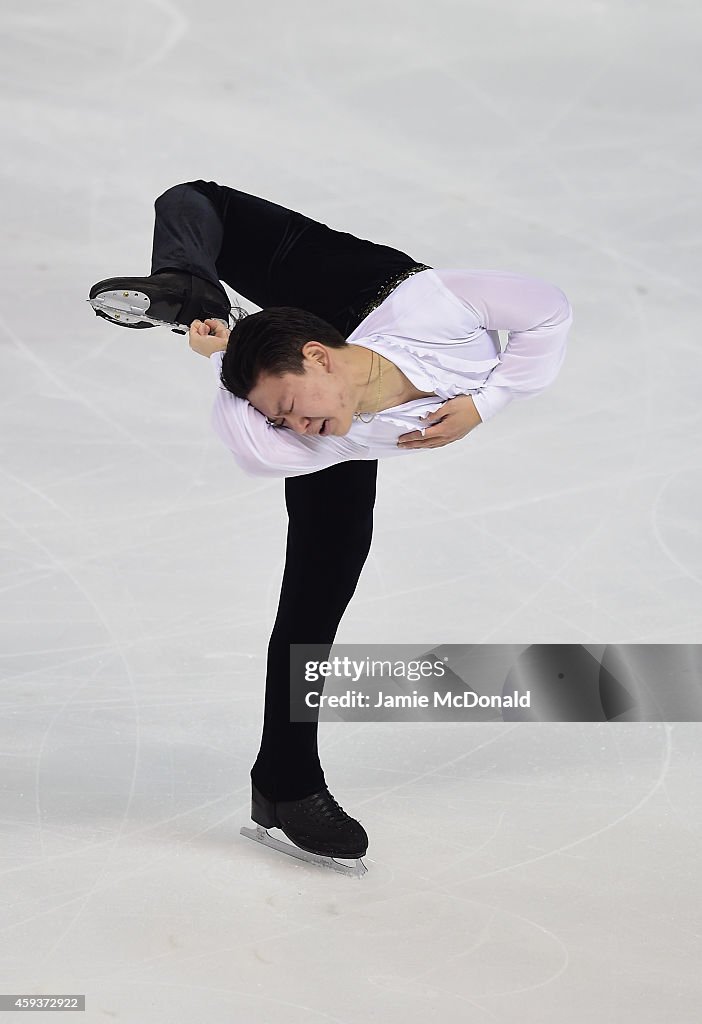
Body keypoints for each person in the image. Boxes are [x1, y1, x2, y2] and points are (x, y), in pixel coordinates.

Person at [88, 179, 574, 876]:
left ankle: (280, 779)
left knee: (327, 575)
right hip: (337, 383)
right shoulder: (322, 429)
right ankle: (191, 290)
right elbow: (259, 447)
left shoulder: (438, 311)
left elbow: (546, 309)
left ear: (316, 356)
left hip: (360, 293)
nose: (292, 427)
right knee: (315, 588)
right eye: (280, 417)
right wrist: (225, 358)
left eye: (284, 409)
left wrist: (486, 403)